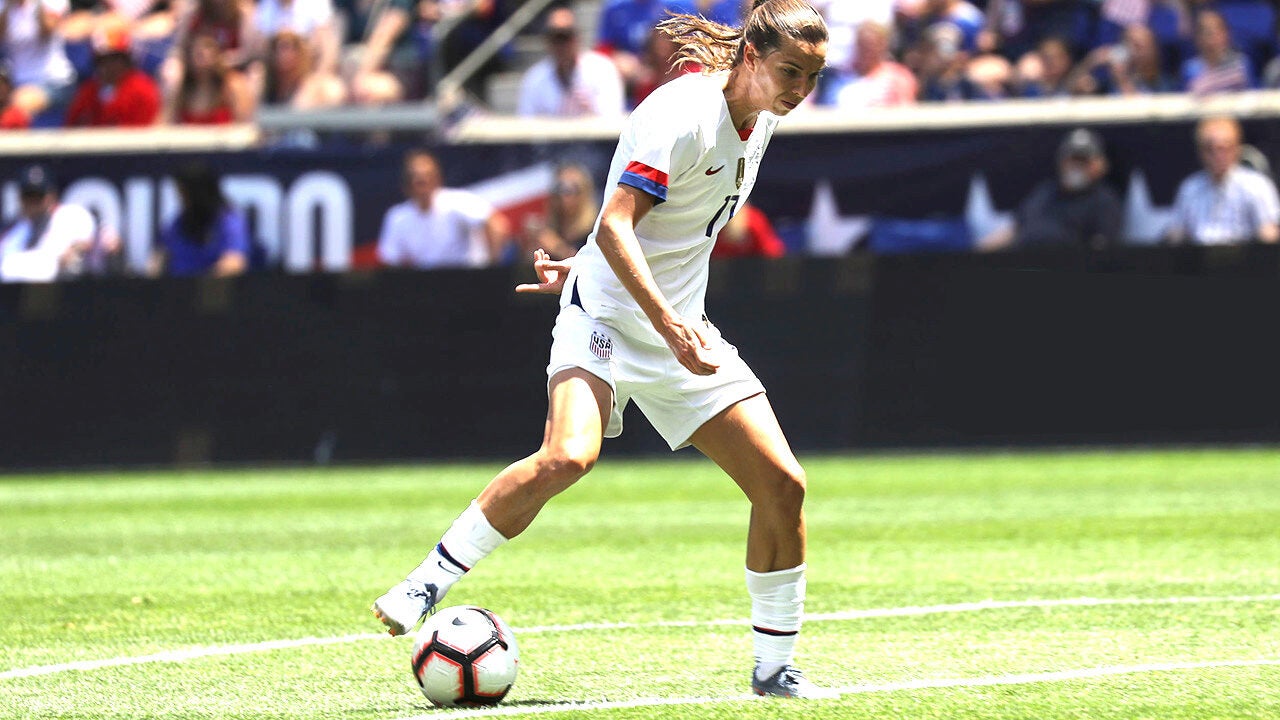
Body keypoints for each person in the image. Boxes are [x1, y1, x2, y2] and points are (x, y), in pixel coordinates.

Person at [371, 0, 835, 700]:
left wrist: (602, 271)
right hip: (612, 318)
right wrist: (637, 302)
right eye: (790, 70)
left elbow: (658, 234)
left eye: (813, 76)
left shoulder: (761, 120)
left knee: (783, 486)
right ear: (750, 56)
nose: (799, 89)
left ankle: (774, 673)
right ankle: (423, 585)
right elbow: (616, 226)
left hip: (678, 326)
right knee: (568, 456)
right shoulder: (682, 116)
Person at [978, 127, 1124, 251]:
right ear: (1062, 161)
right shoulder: (1045, 192)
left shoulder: (1104, 201)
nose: (1077, 166)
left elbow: (1100, 249)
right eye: (1073, 159)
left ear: (1099, 165)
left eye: (1083, 160)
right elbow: (1015, 229)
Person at [376, 148, 511, 269]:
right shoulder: (397, 217)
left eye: (426, 177)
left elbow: (497, 225)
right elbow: (390, 259)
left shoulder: (457, 201)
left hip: (466, 279)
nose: (422, 183)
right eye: (416, 178)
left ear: (436, 179)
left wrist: (492, 268)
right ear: (407, 183)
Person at [1164, 116, 1280, 245]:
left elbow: (1269, 233)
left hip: (1245, 259)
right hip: (1198, 259)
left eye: (1224, 148)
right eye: (1210, 149)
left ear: (1237, 149)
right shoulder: (1190, 187)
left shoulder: (1256, 185)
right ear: (1200, 152)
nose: (1218, 156)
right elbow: (1176, 233)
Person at [516, 6, 625, 118]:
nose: (561, 44)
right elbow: (526, 123)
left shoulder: (603, 69)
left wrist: (590, 110)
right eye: (555, 37)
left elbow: (613, 117)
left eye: (566, 36)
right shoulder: (534, 78)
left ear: (577, 38)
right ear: (547, 41)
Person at [0, 164, 98, 282]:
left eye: (38, 196)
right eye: (27, 195)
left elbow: (73, 260)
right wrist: (53, 263)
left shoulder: (72, 216)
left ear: (51, 196)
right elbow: (6, 270)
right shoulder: (16, 232)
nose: (32, 202)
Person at [152, 161, 251, 277]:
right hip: (176, 290)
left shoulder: (228, 221)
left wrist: (200, 285)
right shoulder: (178, 223)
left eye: (184, 193)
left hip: (212, 290)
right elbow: (160, 256)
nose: (181, 198)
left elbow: (235, 262)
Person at [64, 20, 161, 126]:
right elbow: (71, 127)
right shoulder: (88, 91)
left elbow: (145, 131)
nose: (109, 65)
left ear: (126, 60)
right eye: (104, 59)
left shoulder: (142, 89)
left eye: (115, 59)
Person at [1, 0, 77, 122]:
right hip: (16, 82)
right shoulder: (4, 5)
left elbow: (48, 28)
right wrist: (8, 6)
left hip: (54, 82)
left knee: (19, 104)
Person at [163, 28, 255, 124]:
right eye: (199, 54)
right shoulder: (181, 91)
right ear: (189, 58)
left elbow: (245, 125)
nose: (205, 58)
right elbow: (166, 124)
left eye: (209, 50)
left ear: (218, 55)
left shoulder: (233, 86)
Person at [818, 19, 917, 107]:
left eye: (872, 45)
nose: (867, 50)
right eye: (863, 44)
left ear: (883, 45)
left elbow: (906, 110)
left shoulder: (898, 77)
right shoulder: (837, 77)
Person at [525, 162, 600, 260]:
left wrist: (558, 248)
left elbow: (592, 265)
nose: (562, 196)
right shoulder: (551, 227)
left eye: (570, 189)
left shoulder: (596, 229)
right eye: (558, 188)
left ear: (584, 192)